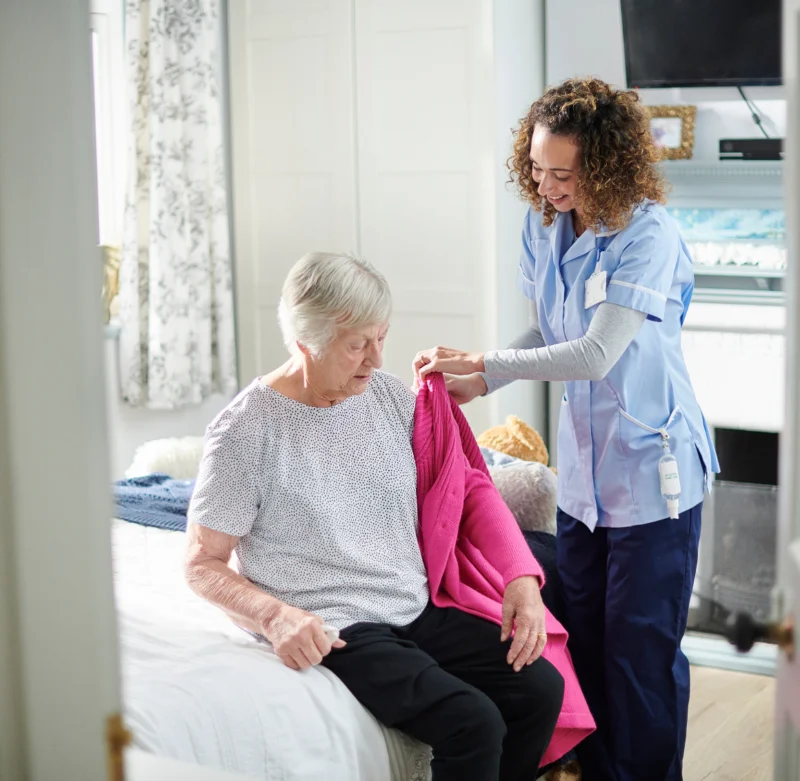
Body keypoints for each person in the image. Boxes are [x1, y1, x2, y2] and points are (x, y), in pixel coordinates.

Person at [413, 77, 720, 781]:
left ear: (607, 165)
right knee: (586, 647)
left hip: (654, 476)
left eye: (564, 173)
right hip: (585, 483)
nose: (547, 186)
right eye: (538, 169)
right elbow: (552, 328)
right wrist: (482, 380)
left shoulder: (647, 235)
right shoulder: (546, 223)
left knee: (638, 659)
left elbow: (594, 351)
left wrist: (486, 361)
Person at [183, 252, 570, 781]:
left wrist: (521, 577)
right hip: (338, 624)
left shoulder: (388, 397)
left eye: (381, 337)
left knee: (540, 689)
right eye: (357, 344)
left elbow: (469, 486)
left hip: (412, 604)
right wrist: (275, 617)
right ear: (306, 342)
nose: (375, 358)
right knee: (472, 722)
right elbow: (202, 562)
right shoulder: (245, 432)